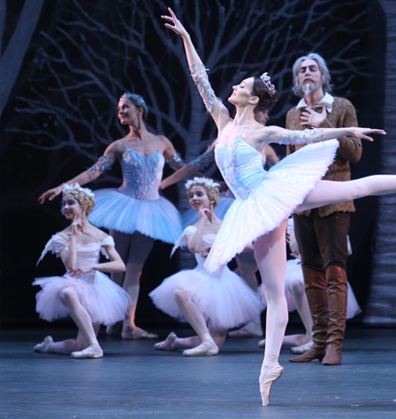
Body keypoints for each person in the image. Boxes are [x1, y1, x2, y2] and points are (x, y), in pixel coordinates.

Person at [162, 7, 396, 406]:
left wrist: (348, 129)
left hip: (273, 193)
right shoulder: (222, 121)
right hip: (253, 208)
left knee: (353, 188)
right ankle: (270, 365)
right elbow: (199, 78)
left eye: (241, 85)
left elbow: (303, 137)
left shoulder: (262, 130)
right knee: (272, 294)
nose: (232, 86)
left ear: (252, 98)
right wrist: (186, 38)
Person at [38, 93, 184, 340]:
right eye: (119, 109)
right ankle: (109, 317)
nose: (121, 112)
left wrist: (164, 183)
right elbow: (92, 173)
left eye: (124, 107)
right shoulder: (119, 146)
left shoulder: (162, 142)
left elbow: (183, 168)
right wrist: (63, 187)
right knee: (118, 266)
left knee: (135, 267)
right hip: (124, 206)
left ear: (139, 109)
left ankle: (129, 324)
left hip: (151, 209)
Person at [285, 53, 361, 366]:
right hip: (304, 204)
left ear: (322, 75)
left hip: (335, 202)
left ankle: (334, 345)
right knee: (311, 274)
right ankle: (316, 341)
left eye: (312, 68)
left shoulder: (341, 107)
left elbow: (354, 153)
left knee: (334, 273)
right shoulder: (292, 114)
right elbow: (290, 161)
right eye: (301, 70)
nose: (306, 73)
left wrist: (323, 124)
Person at [150, 178, 264, 356]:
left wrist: (220, 247)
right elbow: (194, 247)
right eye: (191, 196)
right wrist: (202, 220)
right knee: (179, 292)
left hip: (224, 282)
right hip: (201, 278)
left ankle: (177, 342)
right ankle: (205, 339)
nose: (194, 198)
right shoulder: (191, 229)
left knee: (216, 345)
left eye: (199, 194)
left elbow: (248, 246)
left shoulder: (227, 226)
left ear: (211, 199)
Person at [33, 184, 130, 359]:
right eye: (63, 204)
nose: (66, 208)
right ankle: (95, 346)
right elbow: (71, 266)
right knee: (68, 292)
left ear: (83, 206)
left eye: (70, 203)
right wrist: (74, 237)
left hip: (95, 288)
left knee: (79, 345)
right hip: (71, 283)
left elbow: (120, 265)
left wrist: (93, 266)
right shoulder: (61, 237)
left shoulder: (101, 236)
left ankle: (51, 346)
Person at [258, 218, 361, 352]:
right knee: (263, 343)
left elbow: (346, 249)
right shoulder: (295, 221)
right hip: (303, 264)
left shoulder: (331, 219)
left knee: (299, 282)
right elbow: (296, 248)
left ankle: (313, 339)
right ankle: (311, 337)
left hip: (326, 264)